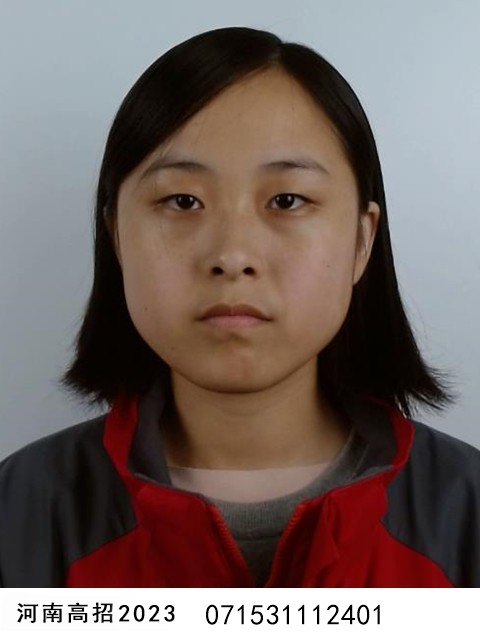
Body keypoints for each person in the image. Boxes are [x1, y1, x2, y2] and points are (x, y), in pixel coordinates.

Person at [1, 25, 479, 588]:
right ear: (117, 239)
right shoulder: (19, 512)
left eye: (287, 200)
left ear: (360, 241)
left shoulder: (466, 513)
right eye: (182, 201)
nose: (232, 255)